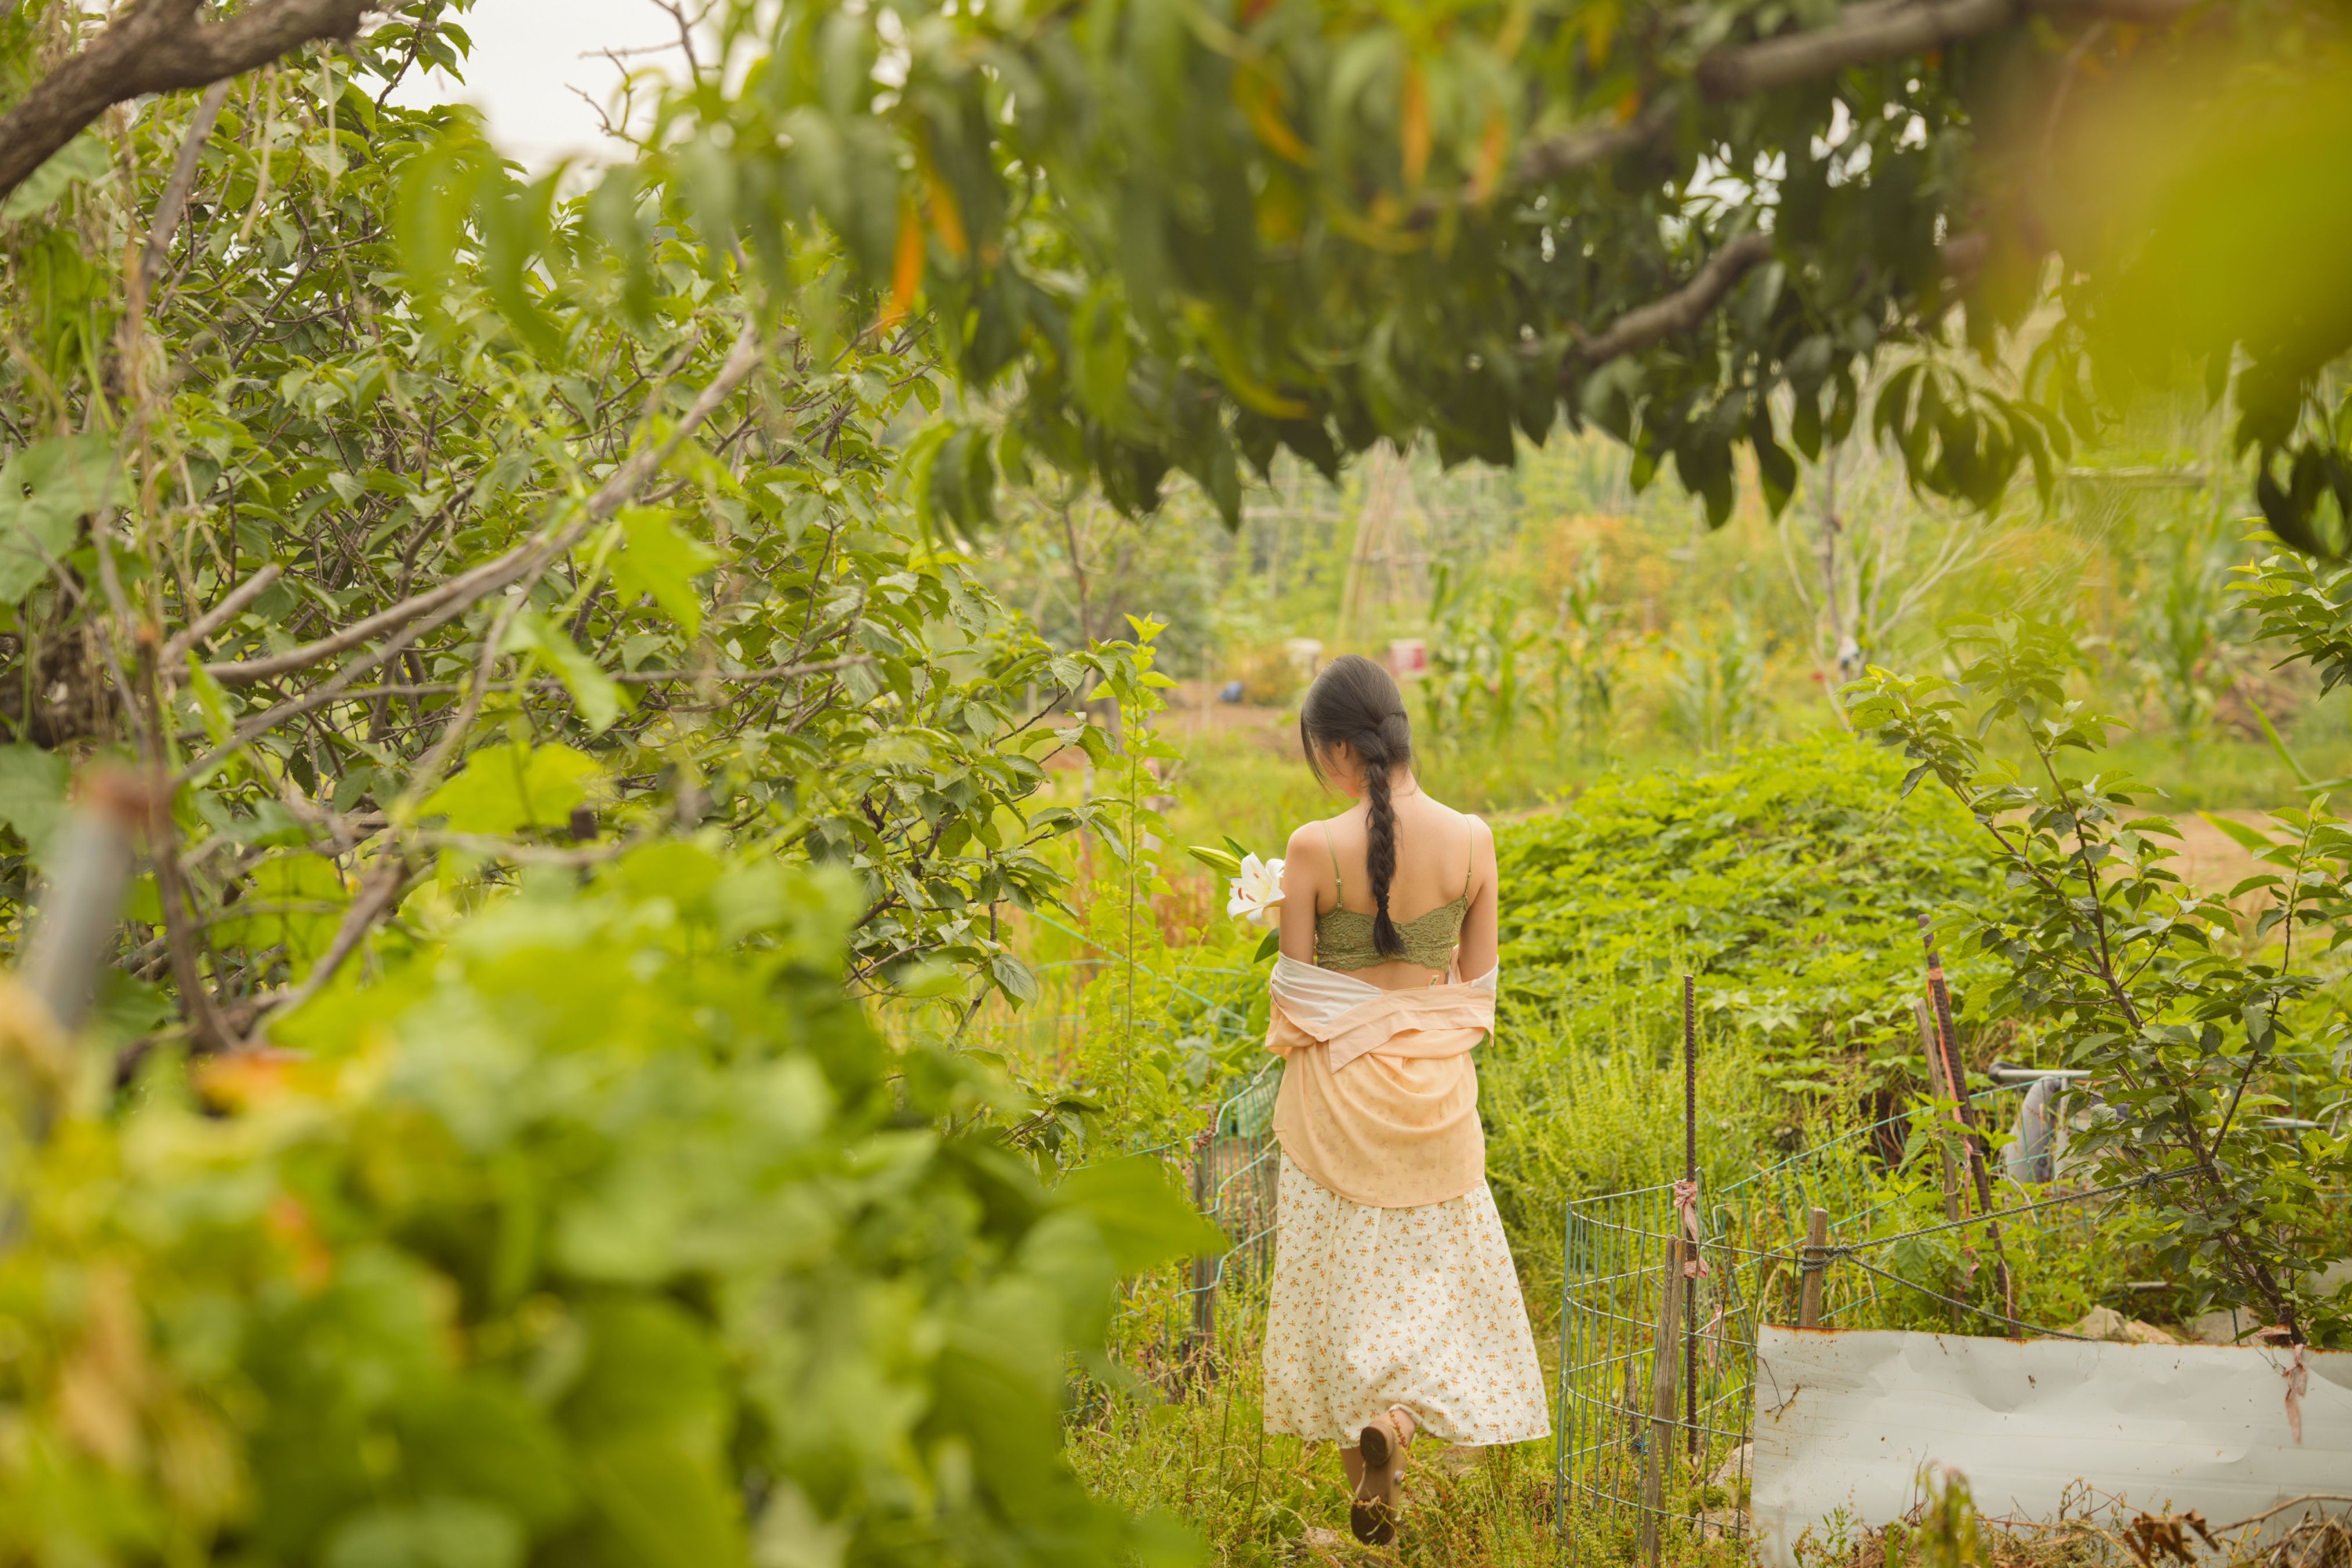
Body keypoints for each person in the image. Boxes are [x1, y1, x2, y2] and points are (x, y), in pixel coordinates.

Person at [1259, 654, 1550, 1546]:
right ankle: (1408, 1420)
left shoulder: (1313, 847)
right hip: (1436, 1106)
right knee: (1434, 1297)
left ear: (1339, 749)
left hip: (1334, 1110)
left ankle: (1371, 1510)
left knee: (1344, 1299)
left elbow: (1301, 1000)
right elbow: (1474, 989)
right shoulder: (1474, 839)